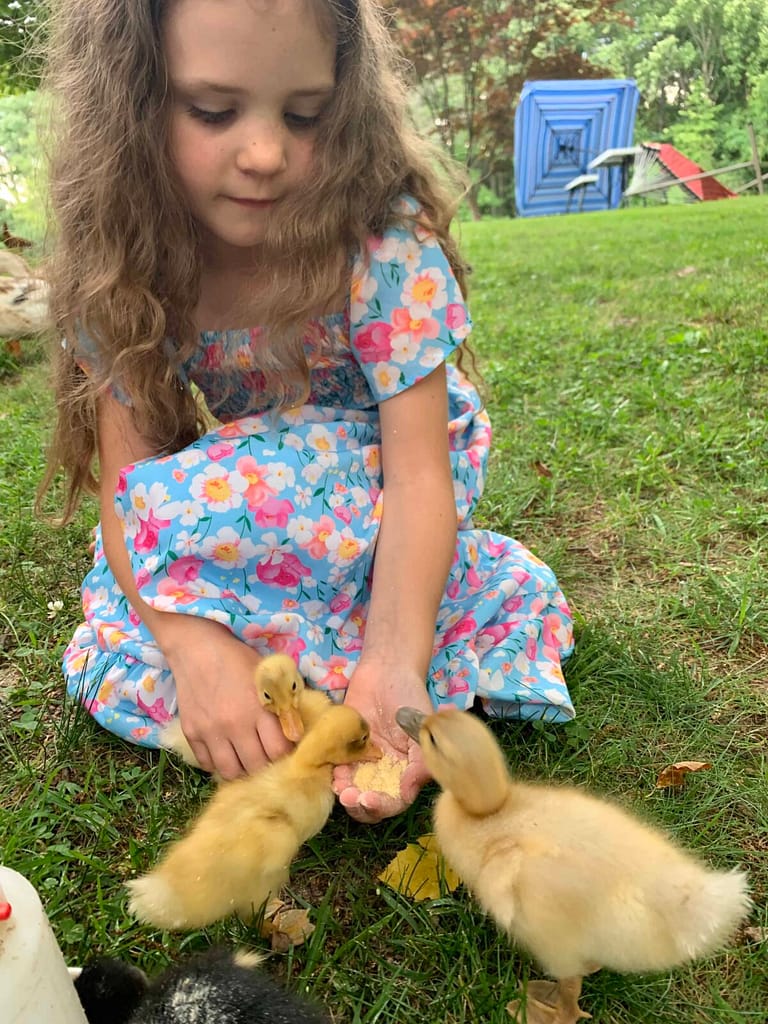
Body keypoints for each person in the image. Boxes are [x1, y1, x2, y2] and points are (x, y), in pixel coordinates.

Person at [39, 0, 575, 824]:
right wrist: (196, 651)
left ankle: (370, 653)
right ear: (133, 103)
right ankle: (306, 664)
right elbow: (131, 493)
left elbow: (421, 473)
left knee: (270, 502)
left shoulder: (380, 241)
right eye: (213, 111)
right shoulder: (130, 261)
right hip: (274, 521)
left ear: (348, 105)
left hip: (384, 499)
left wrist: (396, 662)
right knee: (124, 620)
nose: (265, 154)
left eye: (307, 115)